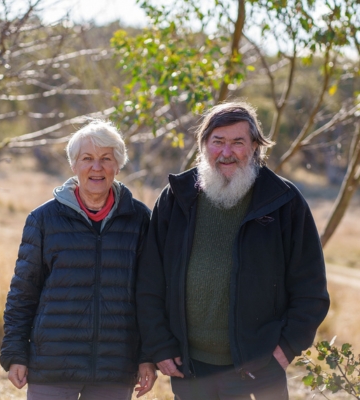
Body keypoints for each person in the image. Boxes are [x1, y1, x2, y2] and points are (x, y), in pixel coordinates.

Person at [136, 101, 330, 400]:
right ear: (203, 145)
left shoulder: (283, 200)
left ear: (254, 146)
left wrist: (285, 349)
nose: (227, 153)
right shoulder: (177, 196)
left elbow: (311, 288)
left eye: (237, 142)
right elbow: (149, 281)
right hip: (191, 369)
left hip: (259, 370)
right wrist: (160, 346)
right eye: (218, 142)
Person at [0, 119, 156, 400]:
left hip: (115, 367)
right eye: (87, 159)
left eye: (106, 159)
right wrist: (14, 353)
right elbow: (23, 291)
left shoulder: (139, 219)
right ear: (74, 165)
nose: (96, 167)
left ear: (117, 166)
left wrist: (148, 357)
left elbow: (149, 295)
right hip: (52, 365)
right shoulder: (43, 219)